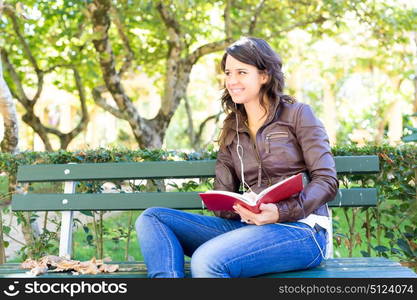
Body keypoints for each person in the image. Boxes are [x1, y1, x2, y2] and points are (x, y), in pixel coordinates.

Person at [135, 36, 339, 278]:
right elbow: (223, 199)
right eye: (228, 73)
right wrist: (241, 207)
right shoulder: (232, 127)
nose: (232, 81)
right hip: (250, 226)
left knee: (207, 261)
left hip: (302, 230)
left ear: (264, 76)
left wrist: (281, 211)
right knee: (153, 218)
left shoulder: (298, 114)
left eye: (241, 72)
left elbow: (327, 181)